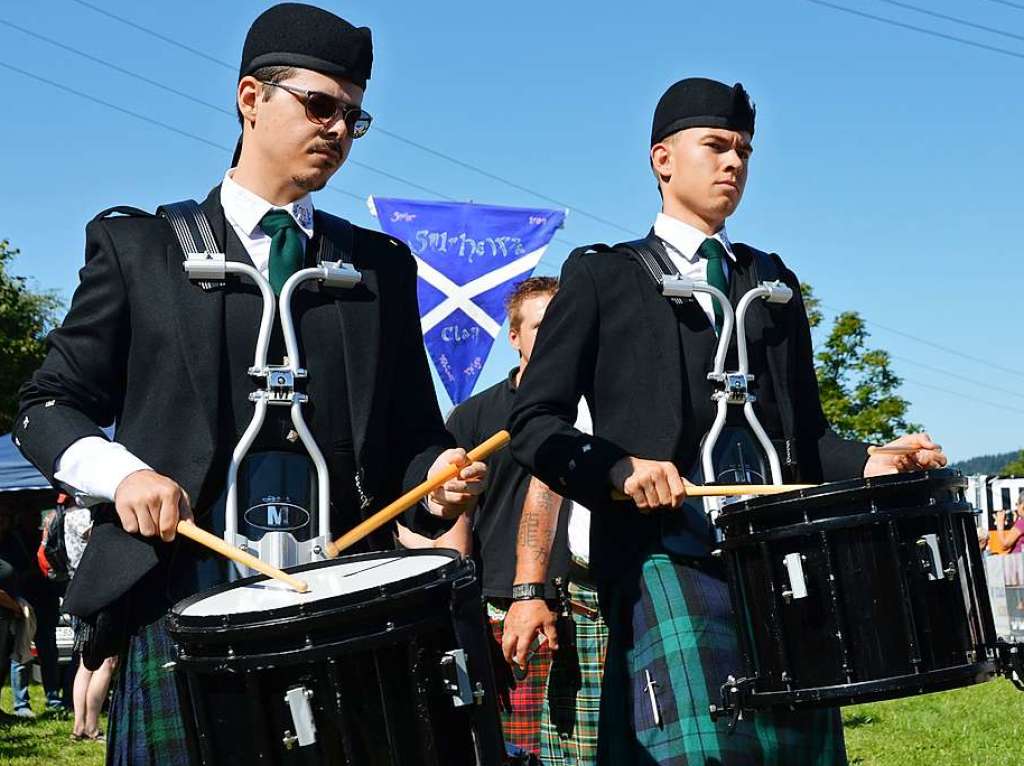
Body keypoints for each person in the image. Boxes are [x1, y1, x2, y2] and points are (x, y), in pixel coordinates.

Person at [13, 4, 486, 762]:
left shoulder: (377, 267)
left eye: (353, 117)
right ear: (250, 98)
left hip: (340, 594)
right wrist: (124, 474)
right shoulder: (143, 249)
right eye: (320, 104)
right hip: (181, 591)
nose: (337, 128)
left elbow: (409, 435)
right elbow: (46, 406)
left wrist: (435, 480)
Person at [509, 77, 947, 764]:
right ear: (662, 159)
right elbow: (535, 423)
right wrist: (617, 472)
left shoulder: (771, 281)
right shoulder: (602, 277)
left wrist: (872, 460)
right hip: (667, 559)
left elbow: (806, 437)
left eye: (743, 150)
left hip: (779, 565)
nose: (733, 163)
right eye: (715, 146)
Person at [403, 276, 571, 761]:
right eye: (540, 325)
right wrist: (460, 616)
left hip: (590, 601)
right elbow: (454, 525)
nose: (554, 334)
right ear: (514, 336)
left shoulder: (598, 402)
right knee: (515, 752)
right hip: (503, 608)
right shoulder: (474, 416)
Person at [502, 400, 607, 766]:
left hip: (704, 568)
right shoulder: (585, 386)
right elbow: (547, 486)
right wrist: (528, 591)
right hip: (592, 598)